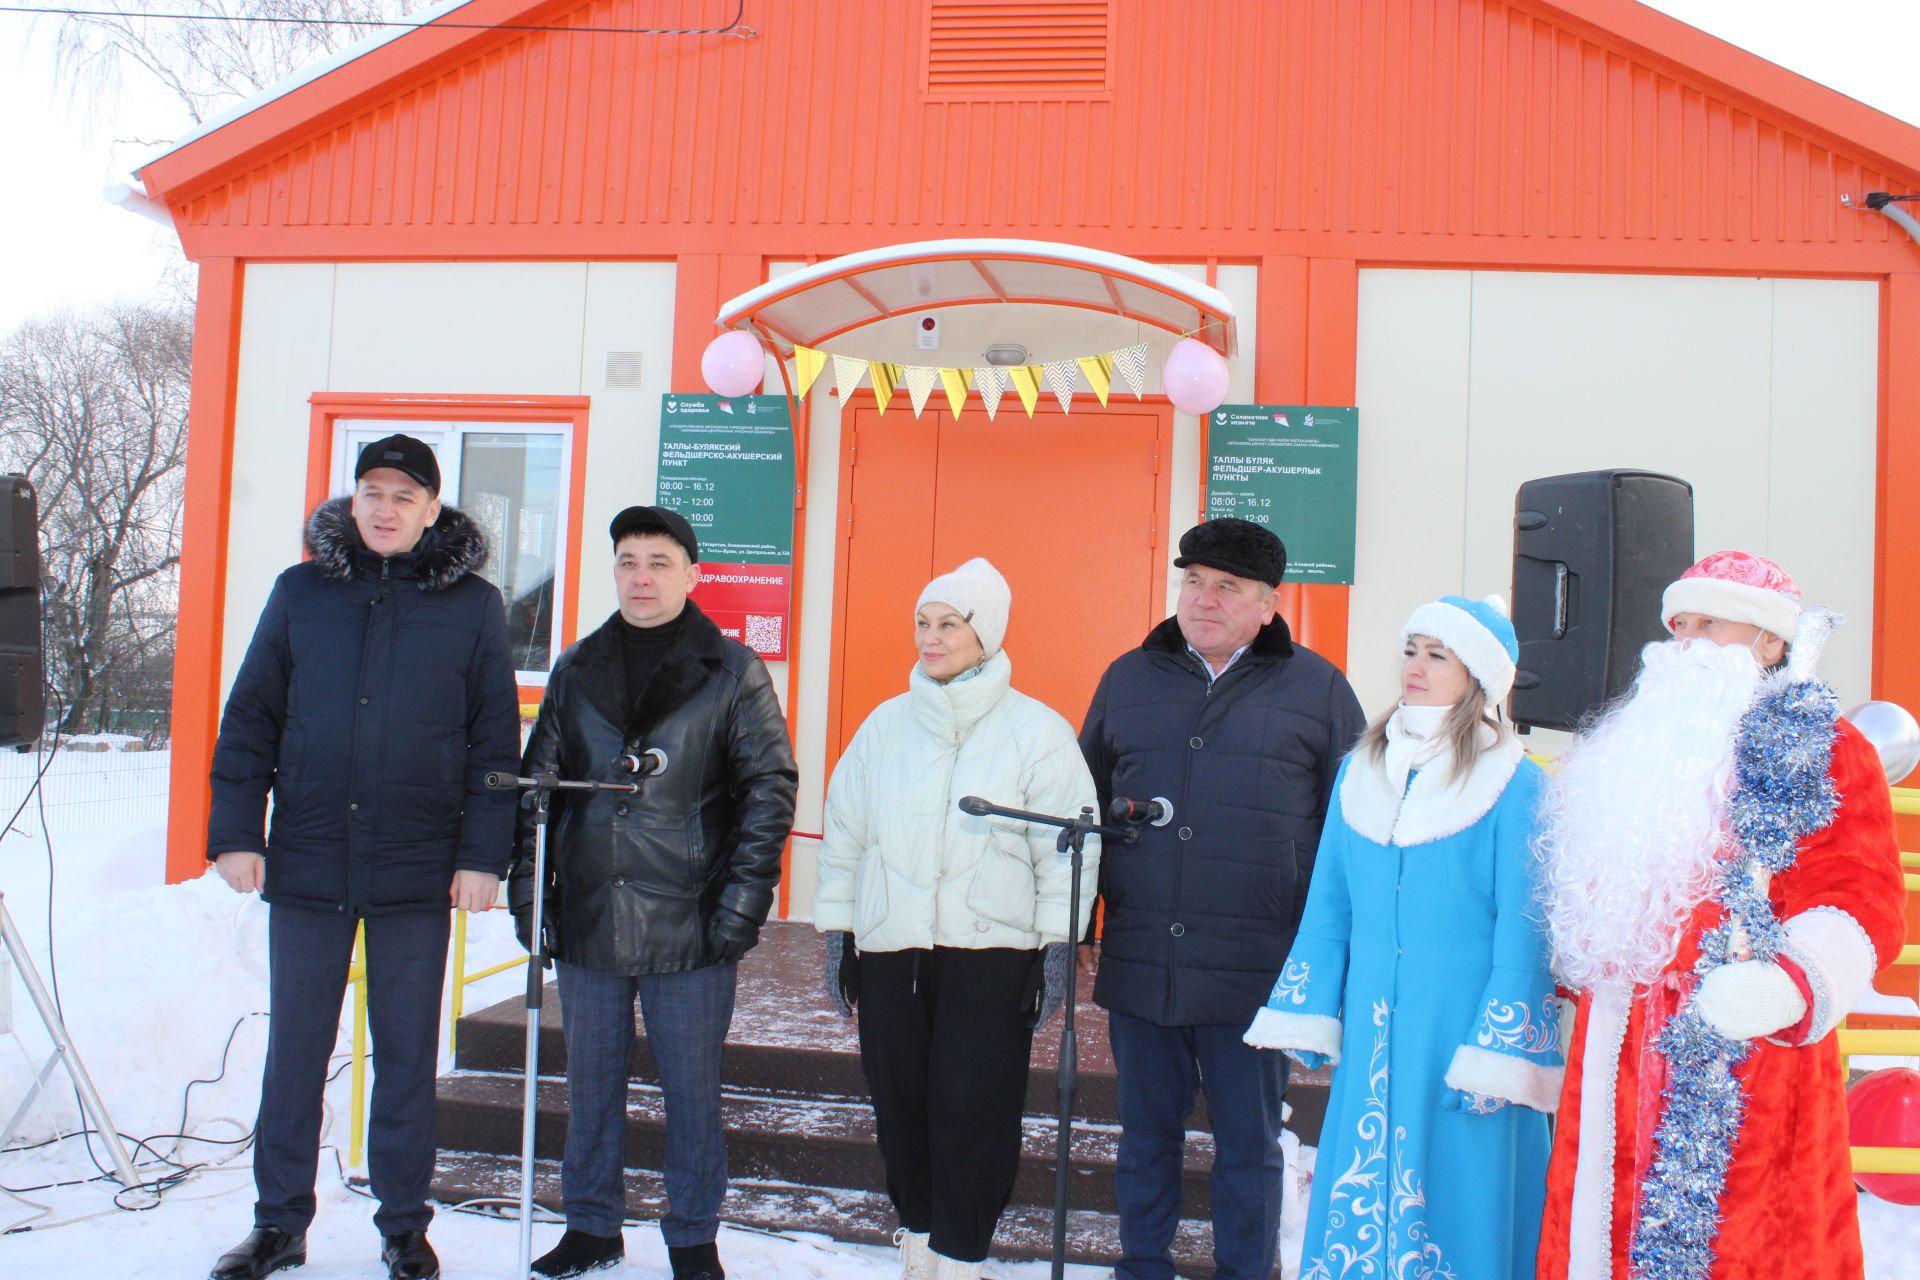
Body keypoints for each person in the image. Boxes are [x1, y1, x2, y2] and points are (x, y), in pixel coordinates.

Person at [1534, 550, 1908, 1280]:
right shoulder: (1632, 750)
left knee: (1742, 1243)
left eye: (1711, 623)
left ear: (1770, 643)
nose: (1688, 642)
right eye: (1680, 625)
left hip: (1748, 1050)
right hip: (1621, 1043)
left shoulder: (1825, 748)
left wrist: (1792, 983)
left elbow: (1862, 893)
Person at [204, 434, 521, 1280]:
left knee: (408, 1055)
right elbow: (252, 718)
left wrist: (484, 855)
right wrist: (237, 831)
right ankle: (279, 1225)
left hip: (418, 869)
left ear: (432, 510)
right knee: (296, 1053)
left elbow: (496, 740)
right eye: (371, 491)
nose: (384, 508)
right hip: (309, 860)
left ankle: (404, 1225)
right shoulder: (301, 592)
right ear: (354, 500)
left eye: (404, 496)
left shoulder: (472, 605)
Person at [508, 505, 797, 1280]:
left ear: (692, 575)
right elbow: (539, 791)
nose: (642, 576)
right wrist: (531, 900)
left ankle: (693, 1236)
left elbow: (770, 790)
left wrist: (741, 907)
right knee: (590, 1084)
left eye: (659, 562)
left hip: (691, 920)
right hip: (592, 914)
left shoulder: (732, 670)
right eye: (629, 560)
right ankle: (592, 1225)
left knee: (692, 1092)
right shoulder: (575, 668)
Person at [1078, 518, 1366, 1280]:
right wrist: (1076, 925)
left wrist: (1336, 950)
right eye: (1193, 581)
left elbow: (1352, 826)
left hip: (1256, 965)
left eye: (1227, 587)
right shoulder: (1128, 678)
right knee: (1145, 1134)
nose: (1203, 599)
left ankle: (1246, 1271)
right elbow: (1085, 804)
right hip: (1144, 954)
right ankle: (1143, 1265)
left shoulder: (1319, 688)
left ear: (1269, 604)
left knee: (1248, 1143)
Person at [1245, 595, 1561, 1280]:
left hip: (1463, 1027)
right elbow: (1329, 903)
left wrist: (1500, 1045)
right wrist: (1313, 1004)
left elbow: (1526, 926)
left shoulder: (1515, 784)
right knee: (1365, 1171)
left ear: (1477, 674)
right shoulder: (1360, 773)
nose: (1415, 666)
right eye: (1411, 649)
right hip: (1374, 1023)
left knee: (1461, 1176)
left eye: (1436, 654)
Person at [814, 558, 1099, 1280]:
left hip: (990, 956)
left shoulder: (1037, 732)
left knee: (974, 1112)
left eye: (949, 624)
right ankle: (917, 1247)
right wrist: (839, 932)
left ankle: (962, 1256)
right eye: (922, 622)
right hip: (892, 949)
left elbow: (1066, 846)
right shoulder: (885, 726)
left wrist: (1057, 944)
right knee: (900, 1106)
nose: (930, 638)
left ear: (986, 633)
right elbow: (845, 834)